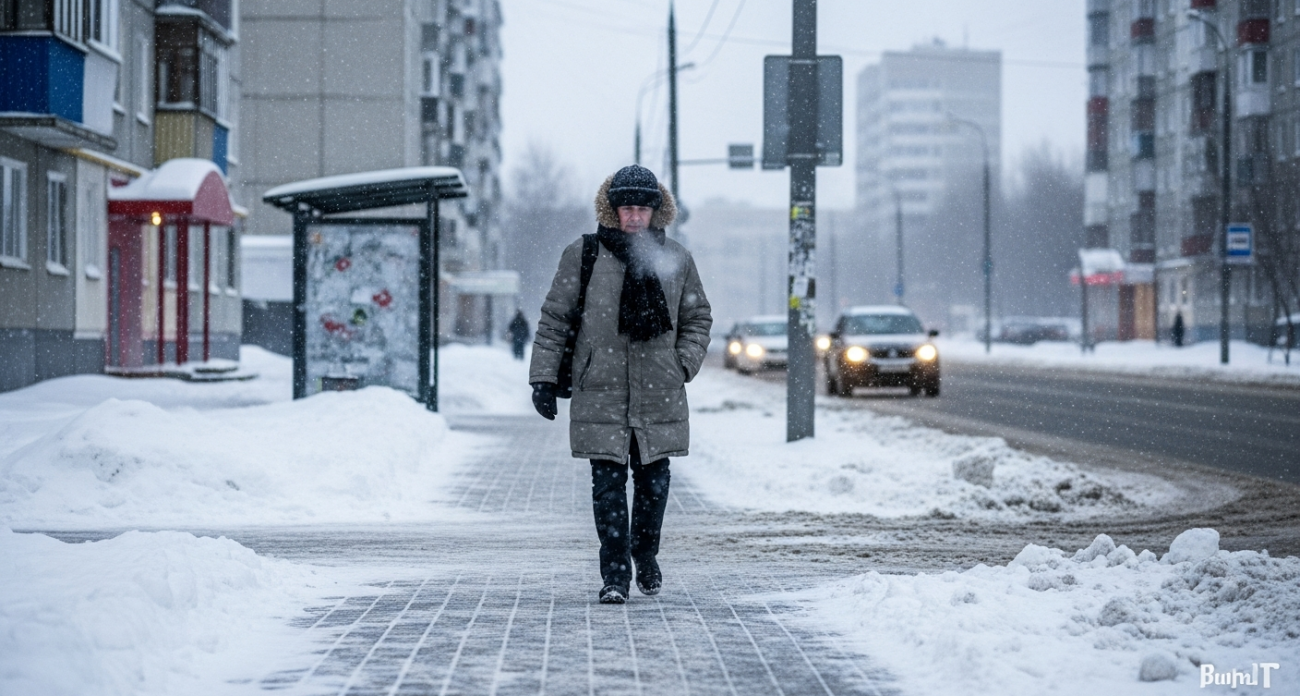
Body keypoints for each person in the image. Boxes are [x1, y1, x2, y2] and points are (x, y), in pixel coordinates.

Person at [528, 165, 712, 604]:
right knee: (607, 488)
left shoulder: (677, 259)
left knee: (654, 486)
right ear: (612, 210)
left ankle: (645, 554)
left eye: (641, 209)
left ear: (656, 211)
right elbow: (556, 319)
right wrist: (543, 378)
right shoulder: (584, 254)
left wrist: (681, 364)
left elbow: (698, 318)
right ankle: (614, 574)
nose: (633, 217)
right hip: (602, 390)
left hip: (658, 392)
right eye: (626, 208)